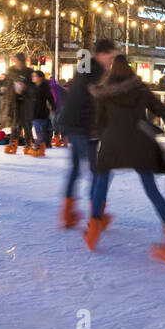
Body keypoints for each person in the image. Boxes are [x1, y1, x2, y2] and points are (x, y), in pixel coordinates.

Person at [85, 55, 165, 262]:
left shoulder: (104, 92)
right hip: (139, 142)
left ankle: (93, 230)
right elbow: (163, 109)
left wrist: (106, 136)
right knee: (151, 190)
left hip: (112, 142)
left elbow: (99, 121)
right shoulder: (139, 89)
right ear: (130, 69)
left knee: (101, 182)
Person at [58, 40, 116, 229]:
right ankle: (96, 215)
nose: (112, 60)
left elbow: (77, 96)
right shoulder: (97, 72)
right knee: (98, 172)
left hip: (72, 124)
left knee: (75, 168)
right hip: (84, 127)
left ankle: (67, 214)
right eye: (111, 56)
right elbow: (92, 102)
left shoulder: (84, 66)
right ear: (101, 54)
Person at [3, 53, 35, 154]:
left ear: (22, 61)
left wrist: (25, 87)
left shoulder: (29, 71)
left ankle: (28, 143)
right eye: (15, 60)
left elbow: (33, 86)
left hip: (26, 101)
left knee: (26, 123)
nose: (15, 62)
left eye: (17, 60)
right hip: (15, 100)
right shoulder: (12, 70)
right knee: (15, 123)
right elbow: (6, 81)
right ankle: (13, 143)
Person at [27, 69, 54, 156]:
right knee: (38, 131)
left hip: (40, 113)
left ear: (40, 78)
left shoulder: (44, 87)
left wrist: (54, 107)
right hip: (33, 113)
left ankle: (37, 146)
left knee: (40, 132)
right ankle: (39, 146)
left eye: (34, 76)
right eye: (32, 76)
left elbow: (50, 99)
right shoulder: (33, 87)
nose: (32, 77)